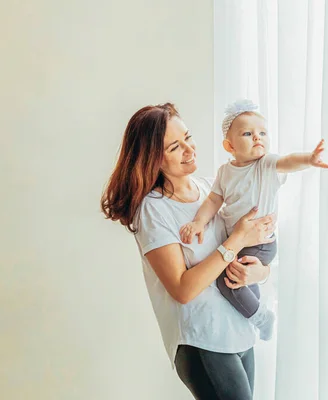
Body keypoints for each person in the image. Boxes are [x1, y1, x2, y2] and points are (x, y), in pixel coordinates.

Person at [101, 103, 276, 400]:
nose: (189, 149)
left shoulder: (210, 188)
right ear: (152, 159)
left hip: (240, 330)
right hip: (202, 341)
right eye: (174, 147)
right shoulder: (153, 210)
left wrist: (259, 271)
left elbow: (251, 249)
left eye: (188, 137)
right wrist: (235, 239)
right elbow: (183, 289)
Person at [179, 99, 328, 341]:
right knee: (242, 281)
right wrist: (198, 222)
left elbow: (288, 161)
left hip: (260, 242)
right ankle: (252, 314)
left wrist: (308, 160)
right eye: (248, 134)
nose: (258, 138)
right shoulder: (225, 172)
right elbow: (213, 201)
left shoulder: (266, 165)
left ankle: (261, 317)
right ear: (229, 146)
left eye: (262, 133)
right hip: (238, 239)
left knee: (227, 280)